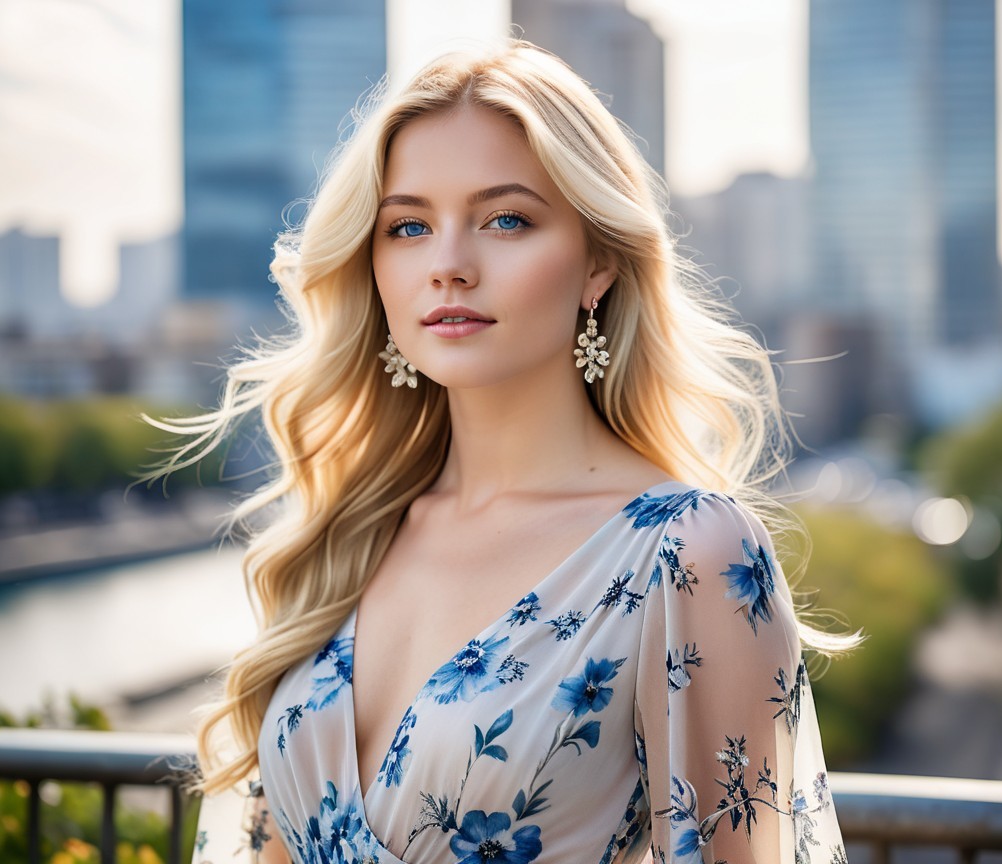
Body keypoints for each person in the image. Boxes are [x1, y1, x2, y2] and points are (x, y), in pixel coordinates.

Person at [177, 40, 855, 864]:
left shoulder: (684, 554)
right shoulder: (354, 529)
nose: (449, 266)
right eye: (409, 226)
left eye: (506, 220)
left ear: (598, 262)